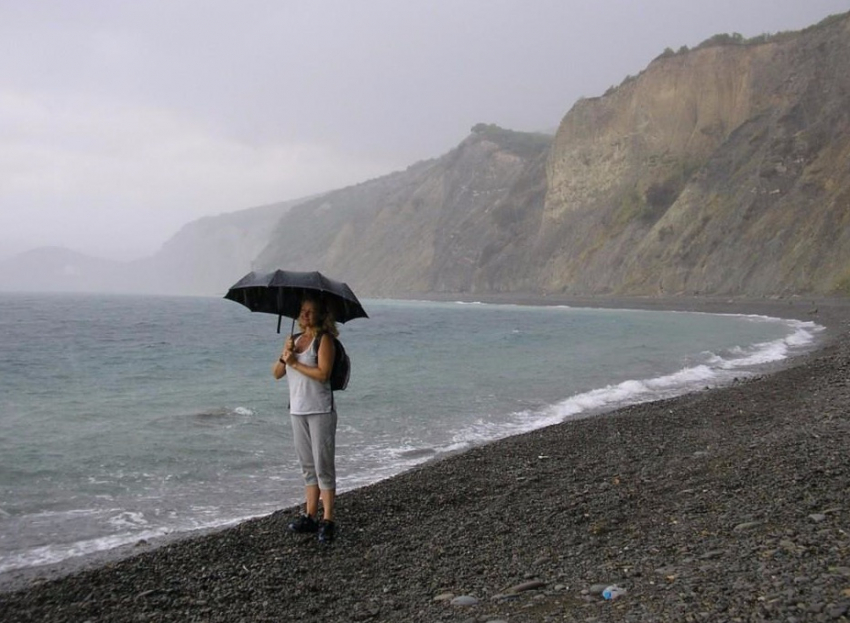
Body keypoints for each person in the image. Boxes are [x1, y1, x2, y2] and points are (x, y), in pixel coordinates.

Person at [272, 296, 338, 544]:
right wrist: (285, 355)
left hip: (320, 410)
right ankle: (310, 515)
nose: (305, 315)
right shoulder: (295, 340)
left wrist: (294, 363)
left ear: (321, 315)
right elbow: (276, 373)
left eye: (310, 311)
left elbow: (323, 374)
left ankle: (328, 519)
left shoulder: (324, 340)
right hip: (297, 410)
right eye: (302, 310)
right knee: (308, 466)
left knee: (323, 466)